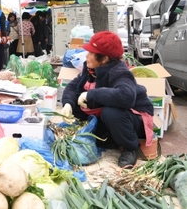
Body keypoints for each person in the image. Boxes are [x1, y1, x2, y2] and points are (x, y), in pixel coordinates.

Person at [61, 31, 154, 168]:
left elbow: (126, 96)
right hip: (109, 116)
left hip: (132, 119)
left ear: (104, 58)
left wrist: (90, 94)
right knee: (77, 106)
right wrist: (68, 104)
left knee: (111, 112)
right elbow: (73, 86)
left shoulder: (120, 72)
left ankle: (130, 148)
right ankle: (109, 139)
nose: (86, 56)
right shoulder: (90, 68)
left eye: (91, 53)